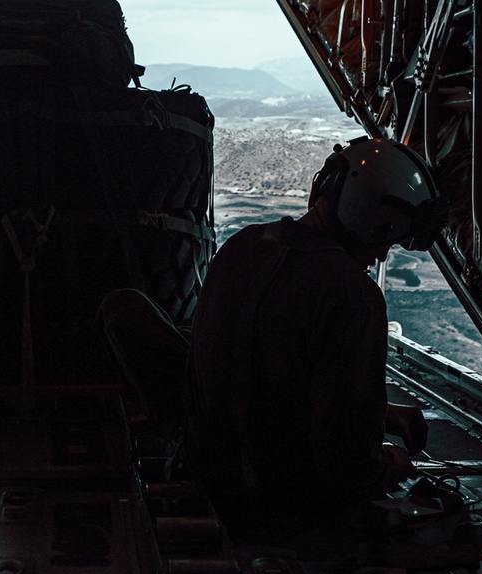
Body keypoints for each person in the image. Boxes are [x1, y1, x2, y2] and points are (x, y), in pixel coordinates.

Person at [101, 137, 447, 524]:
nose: (382, 255)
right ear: (371, 218)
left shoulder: (242, 245)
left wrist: (377, 411)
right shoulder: (354, 295)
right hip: (277, 497)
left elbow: (252, 369)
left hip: (200, 456)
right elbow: (348, 464)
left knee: (125, 307)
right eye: (387, 242)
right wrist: (393, 464)